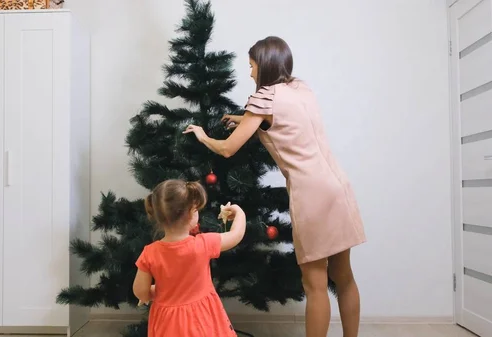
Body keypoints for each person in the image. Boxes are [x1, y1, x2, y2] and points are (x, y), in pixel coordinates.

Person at [183, 36, 366, 337]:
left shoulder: (263, 98)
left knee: (315, 285)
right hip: (338, 186)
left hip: (311, 194)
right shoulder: (301, 89)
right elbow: (286, 123)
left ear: (265, 66)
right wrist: (244, 119)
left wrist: (203, 136)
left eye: (252, 66)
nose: (251, 73)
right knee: (344, 277)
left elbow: (229, 148)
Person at [132, 179, 246, 337]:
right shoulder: (204, 244)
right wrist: (239, 212)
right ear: (191, 213)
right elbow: (236, 235)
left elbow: (140, 292)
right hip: (202, 317)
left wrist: (155, 291)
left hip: (168, 322)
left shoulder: (150, 253)